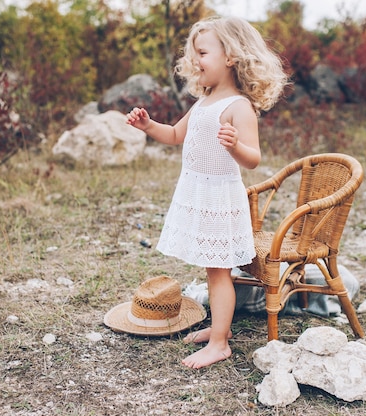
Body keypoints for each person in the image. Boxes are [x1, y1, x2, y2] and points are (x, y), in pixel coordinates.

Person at [126, 16, 289, 369]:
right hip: (197, 192)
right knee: (211, 267)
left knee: (218, 271)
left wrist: (235, 147)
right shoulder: (205, 100)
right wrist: (148, 125)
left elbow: (254, 159)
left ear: (230, 56)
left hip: (219, 198)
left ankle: (219, 343)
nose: (195, 60)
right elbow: (173, 135)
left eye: (202, 52)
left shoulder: (238, 106)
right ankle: (221, 329)